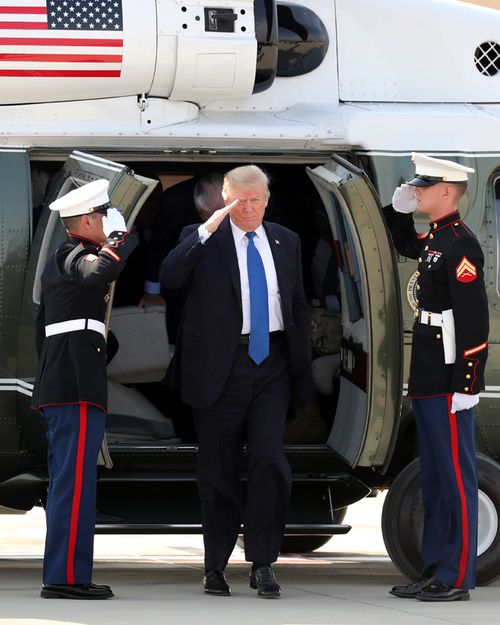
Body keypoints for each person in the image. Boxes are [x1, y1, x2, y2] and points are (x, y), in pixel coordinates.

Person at [161, 165, 312, 598]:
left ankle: (263, 563)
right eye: (238, 200)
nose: (247, 209)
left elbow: (297, 305)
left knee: (269, 461)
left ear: (267, 199)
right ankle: (215, 566)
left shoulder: (286, 240)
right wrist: (208, 228)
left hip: (271, 365)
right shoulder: (203, 236)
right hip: (219, 369)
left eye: (255, 200)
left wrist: (302, 371)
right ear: (223, 199)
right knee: (218, 472)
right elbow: (171, 277)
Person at [382, 153, 489, 602]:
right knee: (433, 478)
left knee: (454, 477)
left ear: (446, 191)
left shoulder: (461, 243)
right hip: (428, 367)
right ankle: (433, 570)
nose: (417, 191)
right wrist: (397, 212)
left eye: (423, 187)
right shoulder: (438, 239)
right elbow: (410, 248)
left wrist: (467, 383)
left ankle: (457, 575)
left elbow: (473, 318)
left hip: (448, 374)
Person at [31, 179, 138, 600]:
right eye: (105, 216)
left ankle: (70, 574)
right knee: (73, 483)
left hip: (73, 382)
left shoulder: (70, 257)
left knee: (74, 482)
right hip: (72, 386)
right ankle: (62, 578)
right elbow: (100, 274)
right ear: (90, 219)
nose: (110, 223)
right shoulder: (72, 255)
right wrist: (116, 239)